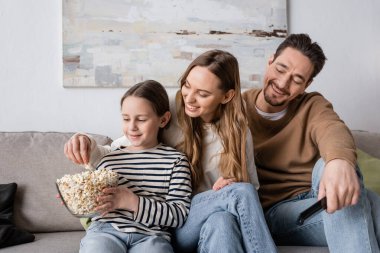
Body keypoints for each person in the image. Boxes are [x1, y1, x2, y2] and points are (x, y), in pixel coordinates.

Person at [65, 50, 278, 253]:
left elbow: (248, 196)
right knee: (242, 192)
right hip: (172, 223)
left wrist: (228, 185)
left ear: (227, 96)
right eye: (187, 85)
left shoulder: (239, 133)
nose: (190, 98)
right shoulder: (174, 113)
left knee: (224, 217)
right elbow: (123, 148)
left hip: (192, 218)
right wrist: (85, 142)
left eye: (202, 93)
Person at [242, 33, 380, 252]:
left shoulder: (311, 105)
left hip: (321, 195)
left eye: (297, 80)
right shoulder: (236, 109)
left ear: (307, 84)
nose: (283, 83)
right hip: (279, 212)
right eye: (280, 69)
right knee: (365, 203)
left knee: (330, 169)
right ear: (270, 61)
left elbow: (332, 128)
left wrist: (340, 163)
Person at [66, 80, 192, 253]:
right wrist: (75, 197)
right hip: (105, 231)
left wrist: (134, 202)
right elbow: (93, 205)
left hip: (152, 236)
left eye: (141, 119)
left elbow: (179, 215)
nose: (132, 127)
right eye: (126, 118)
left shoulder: (176, 161)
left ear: (163, 120)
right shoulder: (108, 159)